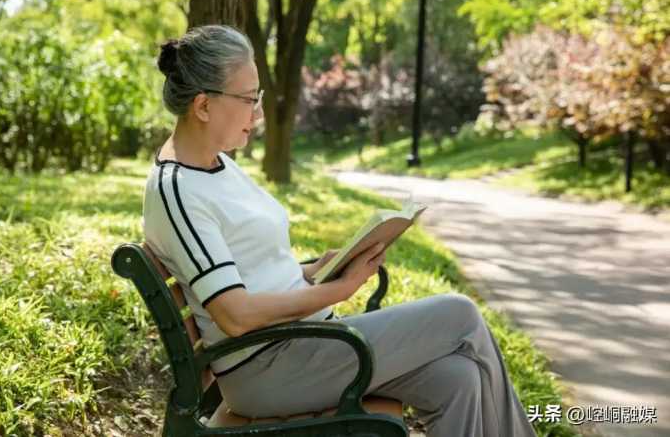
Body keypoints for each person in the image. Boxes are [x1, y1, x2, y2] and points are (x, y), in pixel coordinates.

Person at [142, 24, 537, 437]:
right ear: (203, 106)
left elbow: (251, 270)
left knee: (458, 379)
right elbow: (235, 315)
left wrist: (316, 271)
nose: (258, 112)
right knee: (461, 313)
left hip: (308, 344)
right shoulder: (179, 191)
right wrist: (339, 290)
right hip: (269, 368)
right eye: (247, 99)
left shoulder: (218, 165)